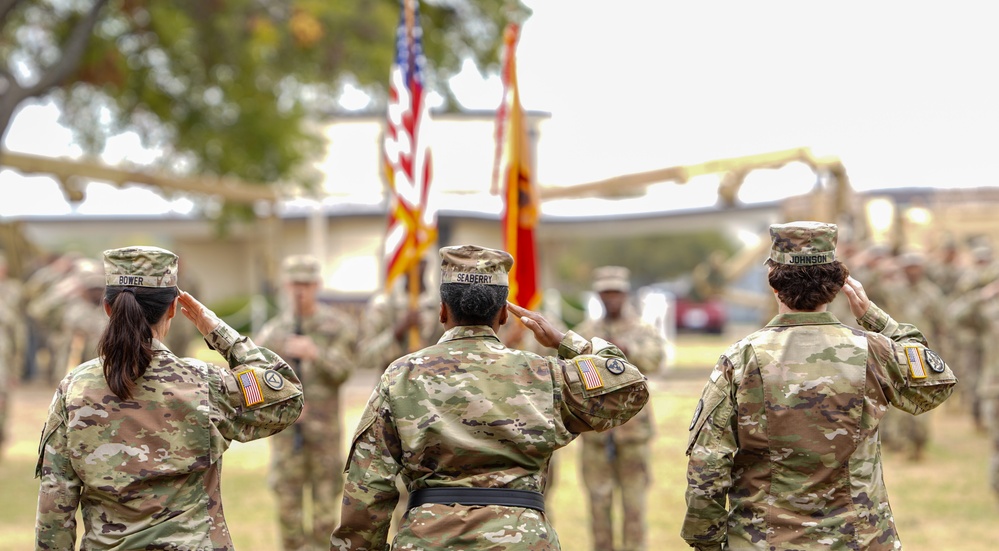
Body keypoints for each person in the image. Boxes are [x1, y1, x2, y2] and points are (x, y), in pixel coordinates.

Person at [331, 245, 650, 550]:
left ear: (442, 311)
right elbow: (630, 387)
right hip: (522, 541)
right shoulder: (545, 374)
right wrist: (566, 342)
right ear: (503, 314)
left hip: (428, 539)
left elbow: (368, 490)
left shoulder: (401, 376)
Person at [682, 222, 957, 551]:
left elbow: (708, 465)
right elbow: (935, 382)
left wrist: (707, 542)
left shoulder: (741, 359)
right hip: (859, 540)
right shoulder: (874, 351)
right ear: (838, 285)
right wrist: (878, 320)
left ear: (773, 284)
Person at [35, 245, 305, 550]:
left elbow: (55, 504)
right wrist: (218, 331)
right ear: (173, 309)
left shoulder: (74, 388)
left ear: (108, 309)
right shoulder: (205, 383)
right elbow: (286, 396)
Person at [255, 254, 357, 551]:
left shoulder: (338, 326)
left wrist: (316, 353)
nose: (301, 291)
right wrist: (283, 409)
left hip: (324, 435)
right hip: (288, 438)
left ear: (317, 285)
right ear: (286, 285)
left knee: (326, 512)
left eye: (307, 284)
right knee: (288, 509)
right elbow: (255, 385)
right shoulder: (273, 333)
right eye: (295, 283)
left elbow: (345, 371)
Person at [574, 265, 665, 551]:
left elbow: (655, 358)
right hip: (596, 434)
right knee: (598, 505)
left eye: (615, 292)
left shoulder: (643, 330)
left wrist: (622, 349)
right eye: (605, 292)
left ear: (625, 294)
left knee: (634, 505)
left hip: (633, 433)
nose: (610, 298)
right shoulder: (585, 332)